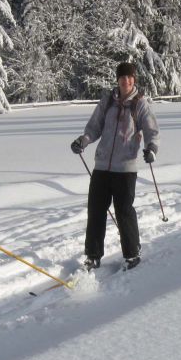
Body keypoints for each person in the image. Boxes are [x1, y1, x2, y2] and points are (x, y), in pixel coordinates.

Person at [70, 62, 160, 271]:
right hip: (102, 166)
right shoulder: (107, 101)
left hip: (125, 168)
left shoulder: (140, 104)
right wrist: (83, 140)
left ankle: (132, 254)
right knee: (96, 210)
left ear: (134, 79)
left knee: (124, 211)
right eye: (122, 78)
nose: (126, 81)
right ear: (117, 80)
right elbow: (95, 126)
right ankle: (93, 255)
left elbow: (151, 130)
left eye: (129, 77)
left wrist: (151, 149)